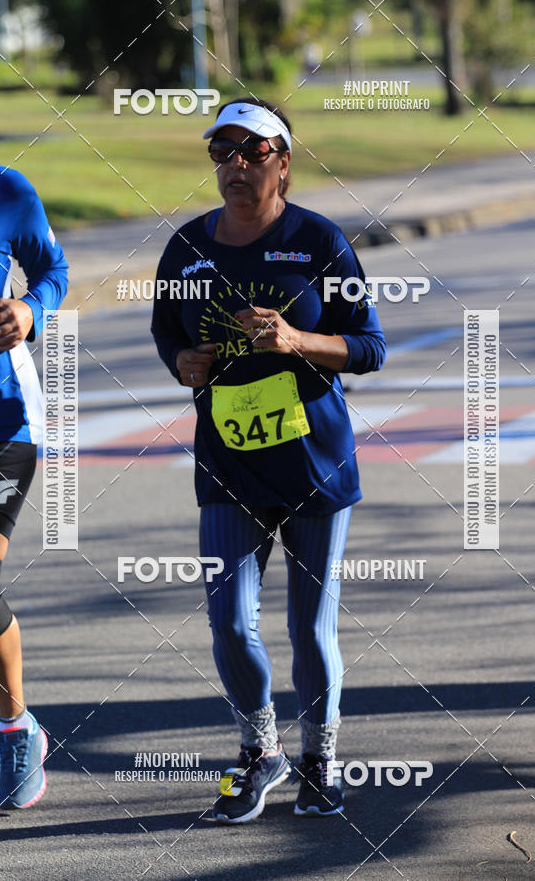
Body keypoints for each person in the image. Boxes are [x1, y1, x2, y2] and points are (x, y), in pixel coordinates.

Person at [151, 97, 385, 823]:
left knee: (310, 629)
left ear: (283, 163)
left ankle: (320, 758)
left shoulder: (318, 242)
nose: (236, 166)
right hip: (229, 464)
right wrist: (182, 361)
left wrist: (296, 342)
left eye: (253, 152)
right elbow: (166, 333)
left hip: (314, 465)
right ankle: (261, 752)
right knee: (228, 621)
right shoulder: (186, 248)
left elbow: (370, 346)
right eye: (222, 152)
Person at [0, 153, 68, 808]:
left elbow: (54, 271)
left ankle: (17, 727)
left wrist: (31, 310)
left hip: (1, 416)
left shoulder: (3, 189)